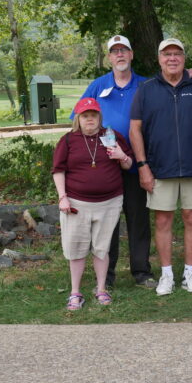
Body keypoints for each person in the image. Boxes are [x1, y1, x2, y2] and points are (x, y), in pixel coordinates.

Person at [129, 38, 192, 295]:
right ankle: (166, 275)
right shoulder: (147, 89)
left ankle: (190, 273)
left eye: (177, 54)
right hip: (159, 166)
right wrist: (142, 166)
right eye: (167, 54)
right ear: (159, 59)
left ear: (184, 58)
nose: (172, 58)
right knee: (163, 220)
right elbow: (135, 129)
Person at [73, 35, 154, 289]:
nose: (120, 55)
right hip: (106, 168)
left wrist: (191, 74)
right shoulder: (98, 86)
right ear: (109, 57)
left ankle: (141, 271)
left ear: (131, 55)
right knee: (107, 222)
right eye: (114, 51)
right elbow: (77, 119)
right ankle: (106, 276)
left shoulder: (146, 85)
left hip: (135, 162)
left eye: (124, 50)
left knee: (138, 218)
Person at [52, 98, 134, 310]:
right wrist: (62, 197)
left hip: (109, 202)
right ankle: (75, 292)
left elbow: (128, 164)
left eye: (94, 115)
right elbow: (58, 170)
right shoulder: (68, 140)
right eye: (85, 115)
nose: (90, 119)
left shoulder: (111, 136)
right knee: (76, 248)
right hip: (77, 202)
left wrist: (121, 155)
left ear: (100, 117)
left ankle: (101, 289)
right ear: (78, 119)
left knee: (102, 248)